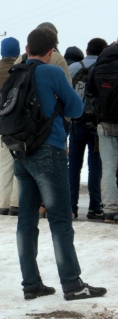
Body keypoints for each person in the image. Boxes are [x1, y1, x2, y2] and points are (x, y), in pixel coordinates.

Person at [13, 28, 107, 300]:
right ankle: (72, 283)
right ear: (51, 51)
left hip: (21, 152)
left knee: (26, 220)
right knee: (60, 219)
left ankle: (31, 284)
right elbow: (76, 109)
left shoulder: (15, 74)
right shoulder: (52, 73)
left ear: (28, 48)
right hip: (49, 151)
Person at [68, 38, 108, 220]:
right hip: (96, 123)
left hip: (76, 122)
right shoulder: (103, 69)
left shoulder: (74, 67)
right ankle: (95, 207)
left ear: (86, 50)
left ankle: (71, 207)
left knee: (74, 166)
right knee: (95, 166)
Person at [0, 37, 21, 216]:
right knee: (18, 164)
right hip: (17, 125)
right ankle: (15, 203)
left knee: (4, 166)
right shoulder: (19, 71)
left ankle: (4, 204)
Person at [87, 39, 118, 223]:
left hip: (104, 121)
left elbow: (90, 91)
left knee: (108, 167)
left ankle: (109, 211)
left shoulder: (100, 63)